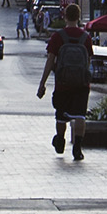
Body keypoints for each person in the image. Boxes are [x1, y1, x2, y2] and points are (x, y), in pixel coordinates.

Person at [37, 19, 94, 160]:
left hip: (62, 83)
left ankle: (61, 141)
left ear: (65, 17)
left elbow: (50, 60)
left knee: (61, 116)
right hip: (81, 84)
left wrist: (42, 83)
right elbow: (88, 61)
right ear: (78, 17)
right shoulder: (85, 37)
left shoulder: (58, 36)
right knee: (80, 116)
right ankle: (77, 147)